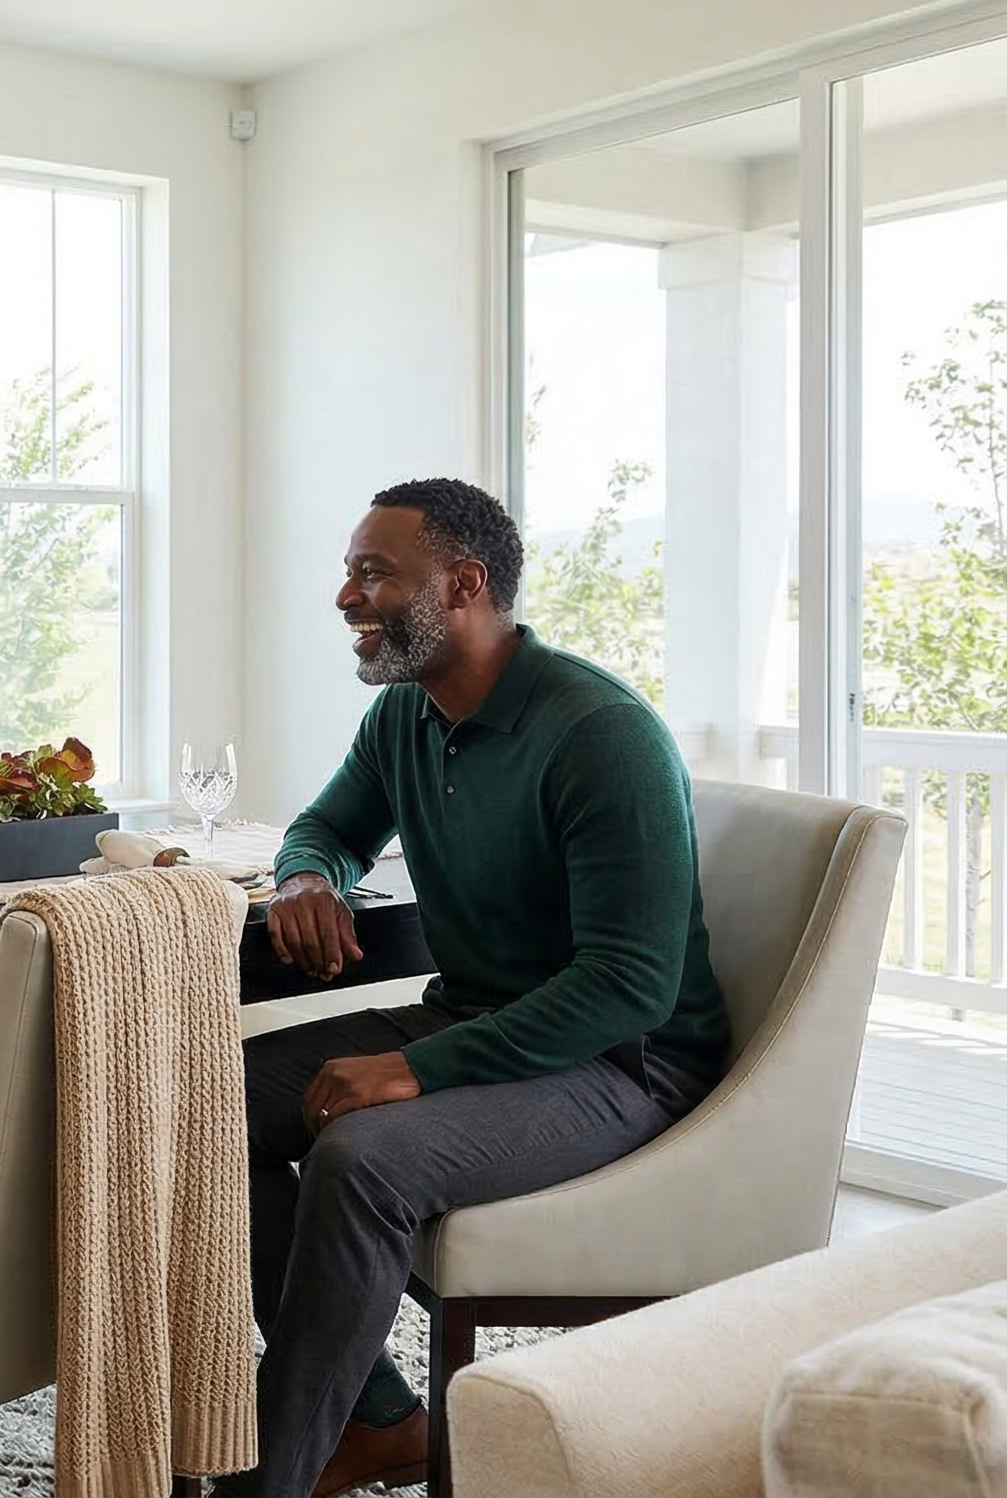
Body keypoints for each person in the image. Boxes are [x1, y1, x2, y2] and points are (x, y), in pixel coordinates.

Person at [223, 480, 728, 1498]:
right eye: (350, 569)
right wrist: (308, 876)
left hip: (623, 1062)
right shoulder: (409, 713)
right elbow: (325, 825)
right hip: (479, 1017)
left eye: (373, 573)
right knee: (197, 1101)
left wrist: (416, 1067)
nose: (343, 597)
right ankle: (377, 1421)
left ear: (463, 585)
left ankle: (269, 1476)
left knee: (362, 1156)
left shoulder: (600, 733)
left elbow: (630, 985)